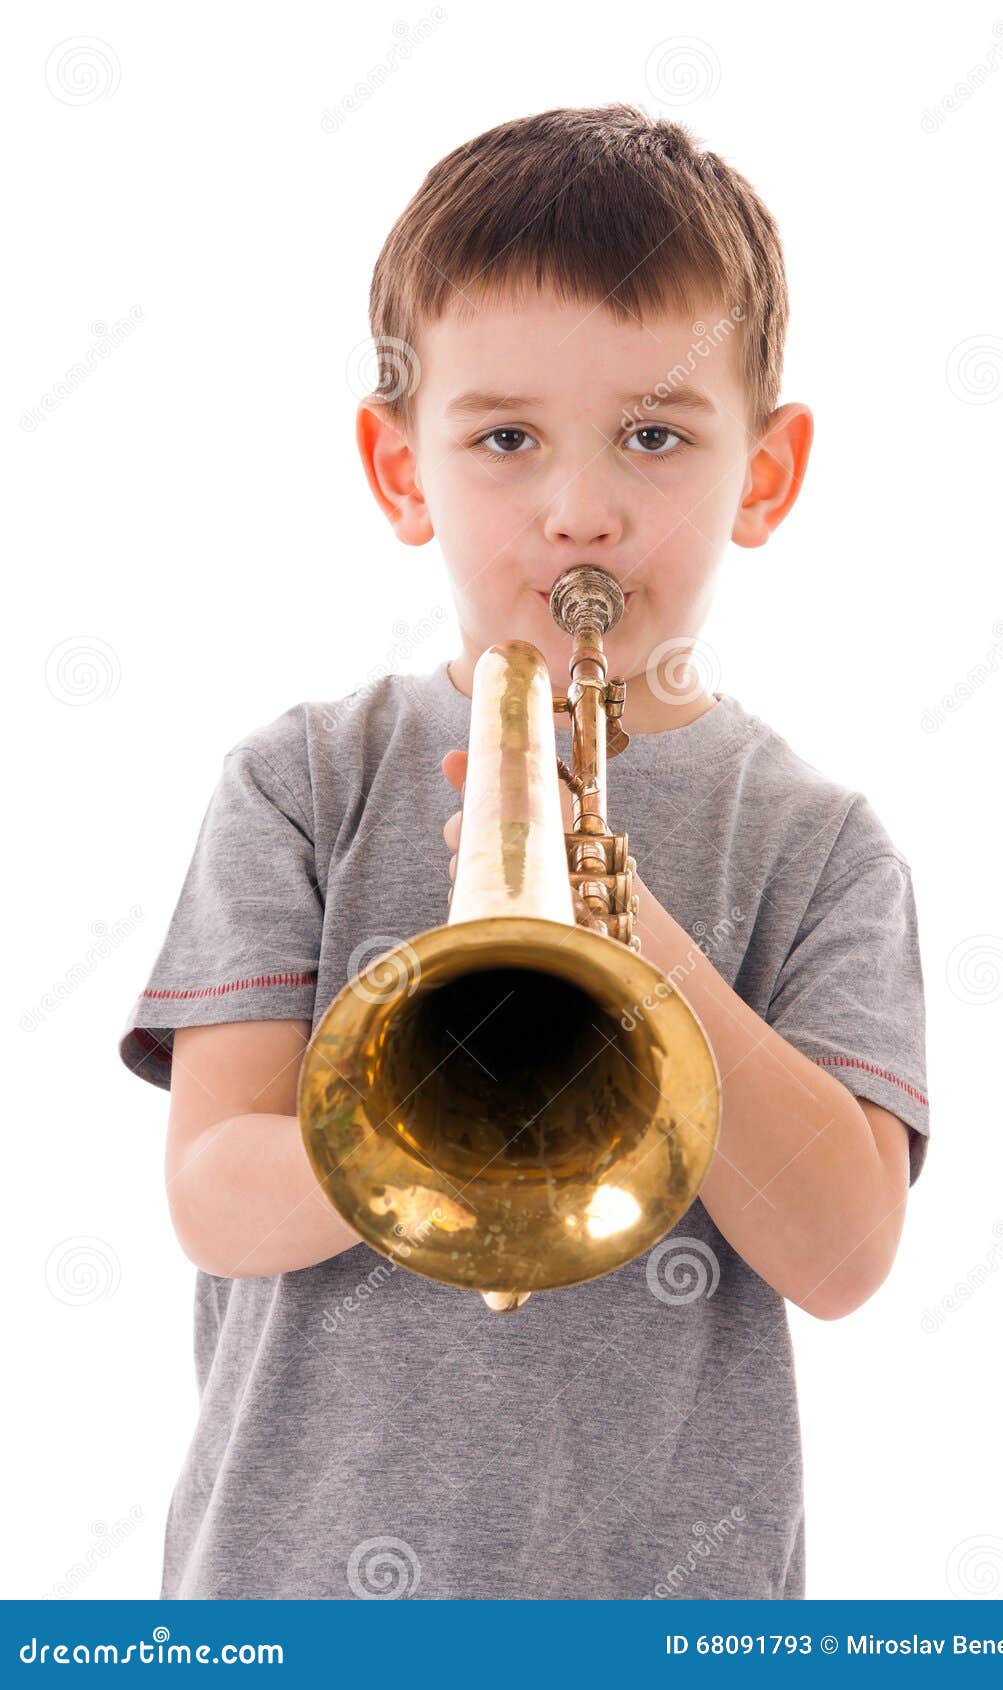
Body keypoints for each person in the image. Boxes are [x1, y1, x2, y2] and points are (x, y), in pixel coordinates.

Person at [119, 103, 929, 1601]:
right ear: (399, 468)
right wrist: (431, 1140)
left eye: (655, 434)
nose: (581, 512)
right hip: (293, 1600)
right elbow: (214, 1189)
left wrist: (631, 933)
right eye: (503, 439)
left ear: (765, 473)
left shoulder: (820, 846)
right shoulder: (301, 783)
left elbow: (844, 1251)